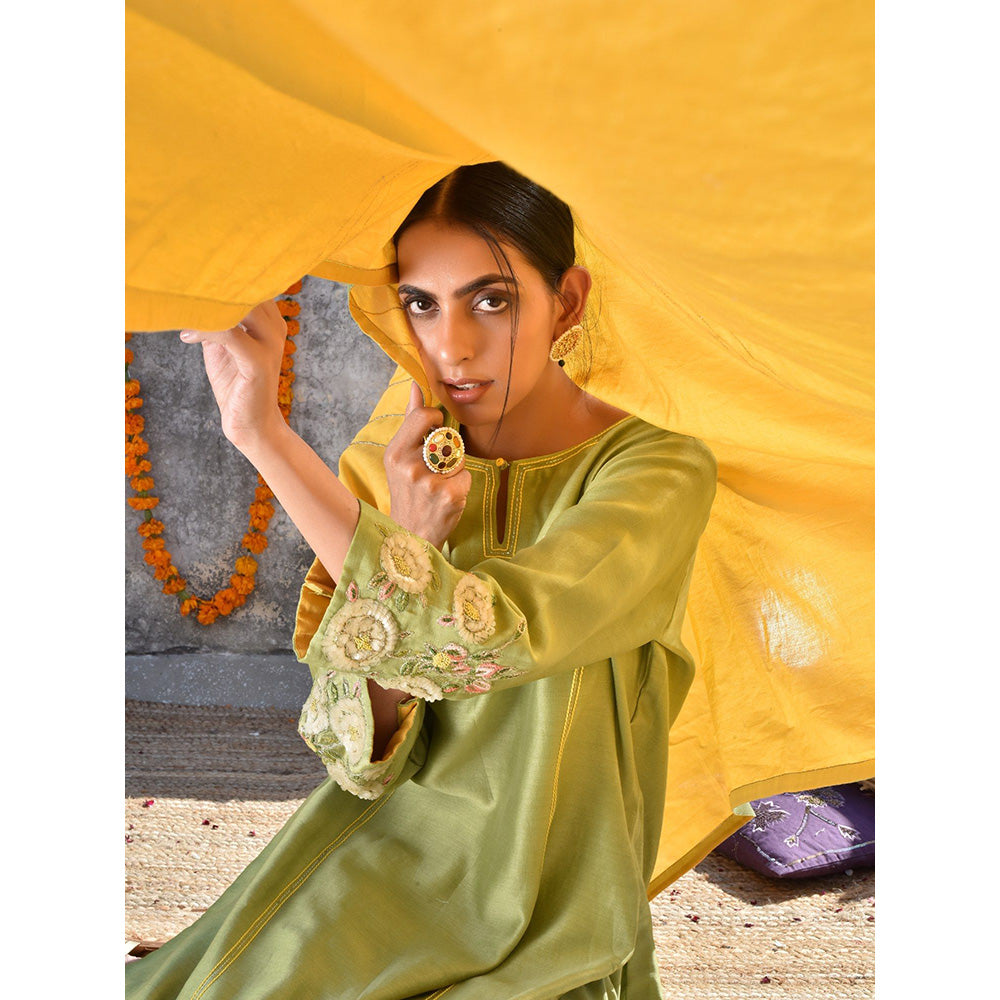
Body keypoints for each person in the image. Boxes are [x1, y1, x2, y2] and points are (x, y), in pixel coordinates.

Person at [125, 161, 718, 999]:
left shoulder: (658, 473)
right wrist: (282, 449)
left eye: (492, 301)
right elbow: (357, 756)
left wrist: (282, 452)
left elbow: (503, 632)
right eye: (422, 303)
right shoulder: (391, 476)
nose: (453, 346)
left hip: (548, 914)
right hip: (374, 860)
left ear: (568, 301)